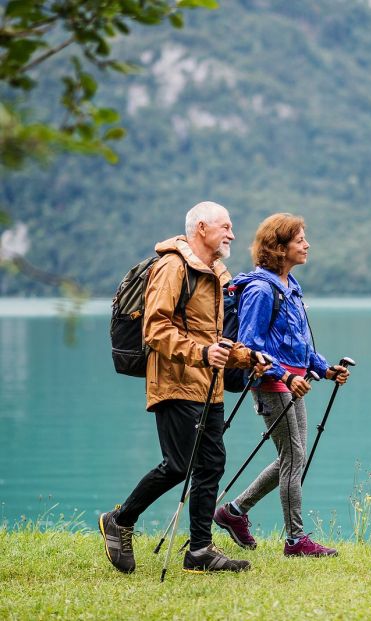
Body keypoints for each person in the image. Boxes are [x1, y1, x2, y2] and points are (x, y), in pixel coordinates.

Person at [99, 201, 270, 575]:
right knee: (179, 465)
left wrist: (248, 357)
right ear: (202, 227)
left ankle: (200, 550)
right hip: (174, 383)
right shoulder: (173, 267)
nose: (232, 234)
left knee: (212, 464)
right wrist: (203, 352)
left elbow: (214, 338)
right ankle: (120, 520)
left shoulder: (214, 273)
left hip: (209, 385)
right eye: (225, 227)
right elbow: (156, 330)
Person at [213, 213, 349, 557]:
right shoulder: (260, 290)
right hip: (272, 385)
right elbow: (250, 346)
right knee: (293, 456)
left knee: (292, 457)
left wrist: (325, 369)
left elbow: (298, 344)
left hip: (295, 383)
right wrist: (284, 376)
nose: (307, 244)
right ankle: (295, 540)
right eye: (300, 239)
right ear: (279, 247)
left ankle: (233, 512)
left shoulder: (290, 286)